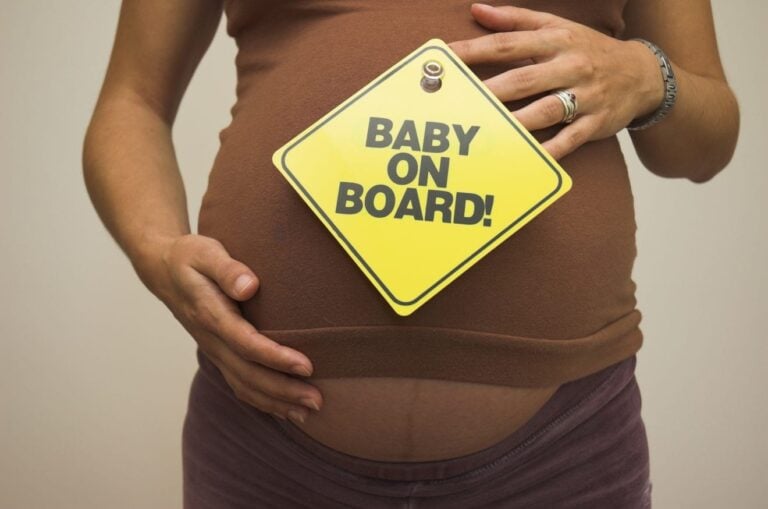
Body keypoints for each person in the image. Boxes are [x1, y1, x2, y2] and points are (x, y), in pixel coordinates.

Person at [82, 1, 739, 507]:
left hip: (560, 453)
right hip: (266, 445)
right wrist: (158, 252)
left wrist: (649, 77)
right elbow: (132, 101)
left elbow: (706, 141)